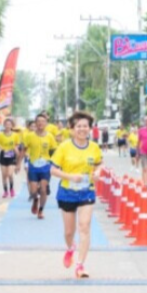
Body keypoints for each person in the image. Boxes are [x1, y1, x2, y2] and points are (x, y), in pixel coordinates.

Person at [51, 112, 103, 279]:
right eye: (78, 126)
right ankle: (70, 248)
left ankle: (80, 265)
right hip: (67, 192)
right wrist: (70, 177)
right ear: (72, 129)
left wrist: (98, 173)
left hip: (87, 191)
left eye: (85, 126)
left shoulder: (94, 147)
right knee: (69, 232)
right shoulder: (64, 147)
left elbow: (99, 163)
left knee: (85, 226)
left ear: (90, 129)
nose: (82, 129)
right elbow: (53, 169)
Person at [22, 113, 58, 219]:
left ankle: (41, 210)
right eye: (38, 122)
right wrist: (19, 164)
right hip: (33, 166)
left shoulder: (50, 137)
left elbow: (54, 151)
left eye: (43, 121)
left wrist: (54, 164)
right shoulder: (29, 136)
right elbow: (23, 149)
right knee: (33, 191)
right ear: (35, 123)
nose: (40, 123)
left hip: (45, 167)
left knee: (43, 189)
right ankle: (35, 199)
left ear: (46, 123)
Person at [0, 118, 21, 198]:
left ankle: (12, 189)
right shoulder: (0, 135)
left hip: (11, 155)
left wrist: (16, 150)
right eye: (6, 124)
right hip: (3, 155)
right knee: (4, 175)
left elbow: (17, 145)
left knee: (10, 174)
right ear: (4, 125)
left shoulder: (15, 135)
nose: (7, 126)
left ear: (12, 126)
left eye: (9, 124)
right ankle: (5, 191)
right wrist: (2, 148)